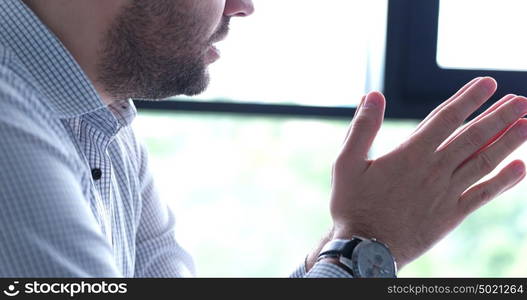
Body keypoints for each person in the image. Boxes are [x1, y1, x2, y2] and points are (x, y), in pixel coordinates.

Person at [0, 0, 525, 278]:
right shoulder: (9, 120)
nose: (242, 4)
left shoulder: (103, 116)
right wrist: (368, 244)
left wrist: (349, 243)